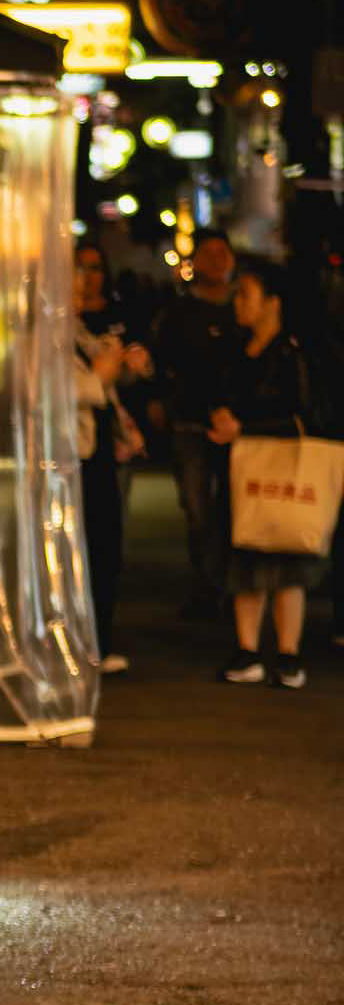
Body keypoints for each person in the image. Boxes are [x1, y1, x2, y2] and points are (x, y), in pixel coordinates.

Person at [211, 258, 323, 689]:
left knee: (286, 559)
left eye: (246, 295)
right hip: (244, 467)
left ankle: (288, 652)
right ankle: (248, 649)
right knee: (246, 555)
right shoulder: (237, 348)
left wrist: (246, 427)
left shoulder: (292, 352)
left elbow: (303, 415)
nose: (239, 303)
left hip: (280, 467)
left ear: (272, 303)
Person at [152, 230, 238, 615]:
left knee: (236, 507)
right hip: (190, 422)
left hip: (238, 424)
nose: (218, 260)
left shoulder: (243, 306)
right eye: (210, 253)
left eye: (224, 253)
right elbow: (163, 359)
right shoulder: (178, 311)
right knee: (198, 508)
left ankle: (235, 587)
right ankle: (208, 583)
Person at [73, 247, 148, 674]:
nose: (83, 287)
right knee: (85, 545)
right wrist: (102, 376)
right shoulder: (42, 335)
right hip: (73, 454)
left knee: (105, 544)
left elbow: (107, 376)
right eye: (76, 281)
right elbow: (49, 388)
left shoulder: (82, 331)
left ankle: (99, 637)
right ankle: (84, 641)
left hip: (100, 450)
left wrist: (127, 366)